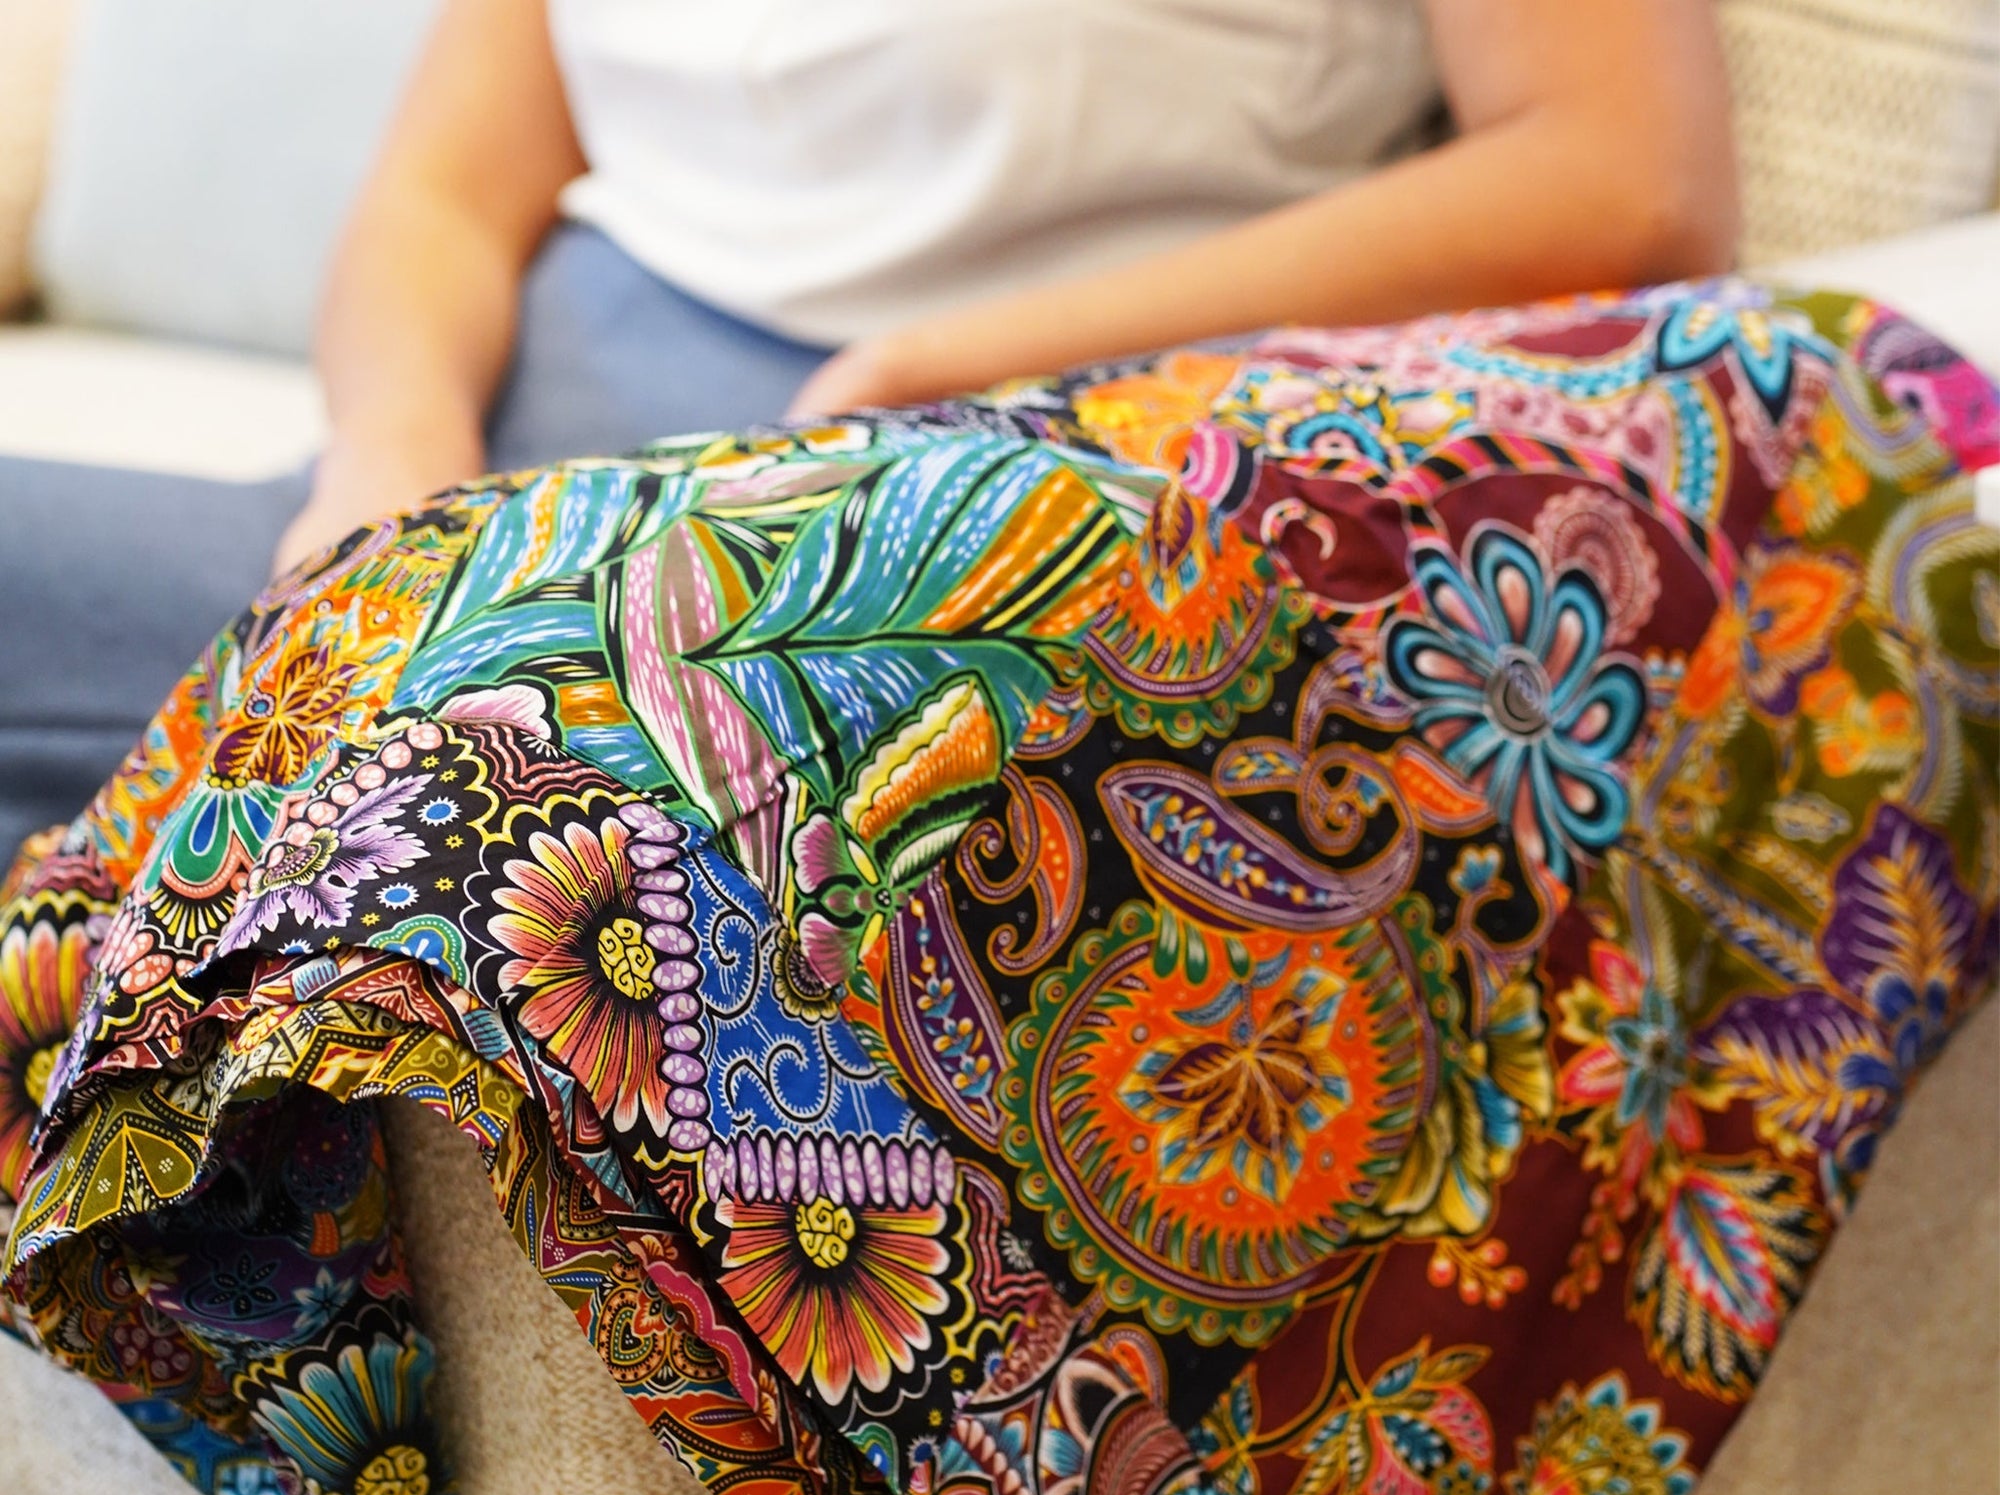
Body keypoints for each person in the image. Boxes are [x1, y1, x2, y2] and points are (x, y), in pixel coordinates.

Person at [0, 0, 1736, 863]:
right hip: (521, 438)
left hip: (972, 477)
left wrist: (960, 363)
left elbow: (1630, 177)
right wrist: (389, 462)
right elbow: (446, 196)